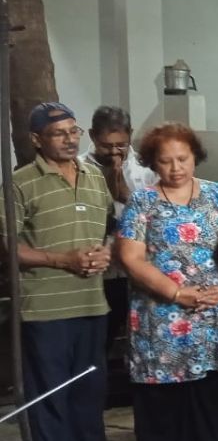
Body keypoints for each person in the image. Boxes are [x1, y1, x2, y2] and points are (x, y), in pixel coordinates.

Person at [115, 123, 218, 441]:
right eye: (165, 161)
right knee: (162, 391)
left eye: (182, 159)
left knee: (210, 387)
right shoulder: (143, 201)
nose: (175, 168)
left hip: (210, 312)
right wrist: (175, 293)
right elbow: (131, 258)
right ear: (153, 163)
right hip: (159, 315)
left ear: (195, 157)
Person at [0, 102, 112, 441]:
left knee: (89, 396)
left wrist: (106, 252)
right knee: (50, 399)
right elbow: (9, 247)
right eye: (58, 133)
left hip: (92, 306)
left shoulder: (94, 176)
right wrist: (64, 260)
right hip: (45, 312)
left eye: (73, 131)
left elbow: (109, 229)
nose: (69, 139)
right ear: (36, 139)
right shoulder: (19, 183)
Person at [85, 106, 157, 354]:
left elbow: (161, 214)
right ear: (92, 136)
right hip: (99, 272)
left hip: (140, 269)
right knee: (99, 341)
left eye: (121, 145)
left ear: (130, 135)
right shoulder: (79, 168)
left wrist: (127, 195)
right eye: (107, 146)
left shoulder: (147, 169)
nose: (115, 152)